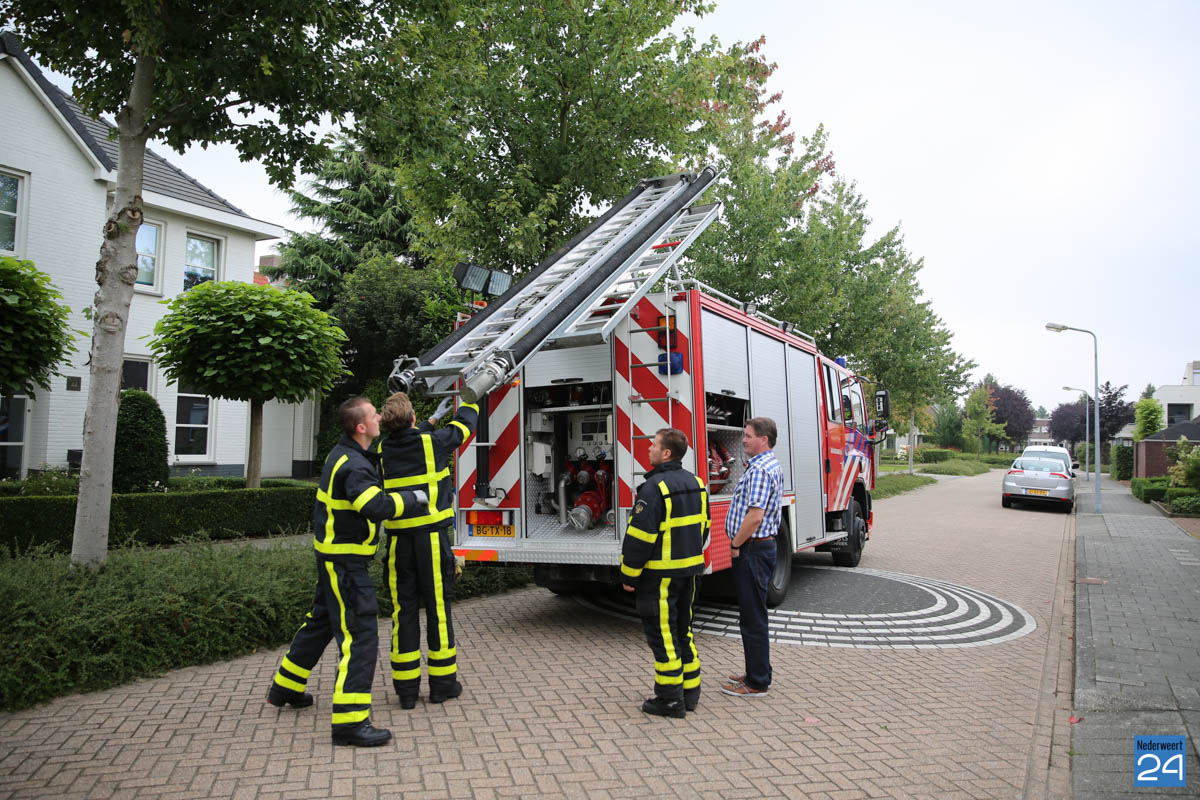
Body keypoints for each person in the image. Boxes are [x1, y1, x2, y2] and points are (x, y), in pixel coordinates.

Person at [267, 396, 425, 747]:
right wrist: (413, 499)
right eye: (373, 415)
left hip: (333, 558)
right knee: (360, 636)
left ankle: (286, 687)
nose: (380, 418)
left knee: (321, 621)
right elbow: (374, 506)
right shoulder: (354, 465)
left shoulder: (344, 454)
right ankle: (350, 723)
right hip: (347, 564)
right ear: (361, 427)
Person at [378, 392, 478, 709]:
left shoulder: (381, 450)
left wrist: (431, 420)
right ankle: (442, 685)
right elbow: (465, 426)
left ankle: (406, 691)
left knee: (403, 612)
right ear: (411, 419)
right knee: (438, 611)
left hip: (398, 544)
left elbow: (407, 438)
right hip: (431, 541)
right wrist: (472, 397)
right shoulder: (432, 443)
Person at [620, 428, 711, 718]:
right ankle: (690, 694)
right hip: (690, 573)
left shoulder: (653, 488)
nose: (649, 448)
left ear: (666, 453)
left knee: (663, 638)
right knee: (683, 632)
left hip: (660, 578)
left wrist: (629, 575)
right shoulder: (697, 483)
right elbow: (704, 527)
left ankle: (670, 700)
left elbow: (640, 538)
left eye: (654, 445)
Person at [721, 416, 783, 699]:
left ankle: (757, 682)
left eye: (748, 436)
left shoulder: (759, 470)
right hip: (759, 549)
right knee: (754, 614)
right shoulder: (768, 464)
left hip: (752, 550)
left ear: (764, 439)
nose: (743, 440)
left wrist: (736, 544)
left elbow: (755, 516)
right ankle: (757, 672)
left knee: (752, 618)